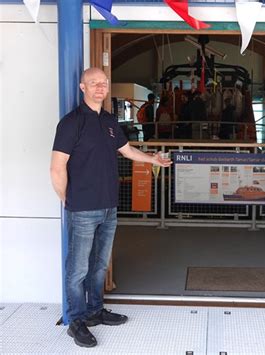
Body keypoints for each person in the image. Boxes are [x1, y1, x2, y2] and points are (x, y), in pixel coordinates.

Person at [50, 67, 172, 348]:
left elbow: (127, 150)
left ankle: (95, 311)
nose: (99, 87)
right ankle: (76, 320)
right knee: (78, 268)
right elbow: (57, 168)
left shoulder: (108, 120)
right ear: (83, 88)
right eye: (93, 83)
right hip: (82, 207)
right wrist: (68, 199)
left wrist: (153, 160)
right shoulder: (71, 123)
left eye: (103, 83)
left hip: (109, 206)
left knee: (99, 265)